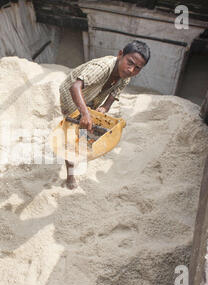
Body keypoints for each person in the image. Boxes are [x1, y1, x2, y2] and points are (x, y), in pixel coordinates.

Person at [59, 40, 151, 189]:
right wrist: (85, 114)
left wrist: (105, 107)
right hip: (71, 97)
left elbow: (116, 91)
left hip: (92, 97)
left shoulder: (125, 75)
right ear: (120, 54)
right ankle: (70, 175)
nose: (131, 70)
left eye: (137, 68)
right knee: (72, 137)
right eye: (130, 62)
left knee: (84, 129)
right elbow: (75, 87)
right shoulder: (102, 68)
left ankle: (81, 145)